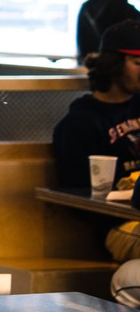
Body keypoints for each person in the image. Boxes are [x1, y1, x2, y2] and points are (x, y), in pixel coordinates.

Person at [51, 19, 140, 191]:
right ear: (112, 64)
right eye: (138, 63)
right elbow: (77, 194)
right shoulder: (80, 124)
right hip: (112, 215)